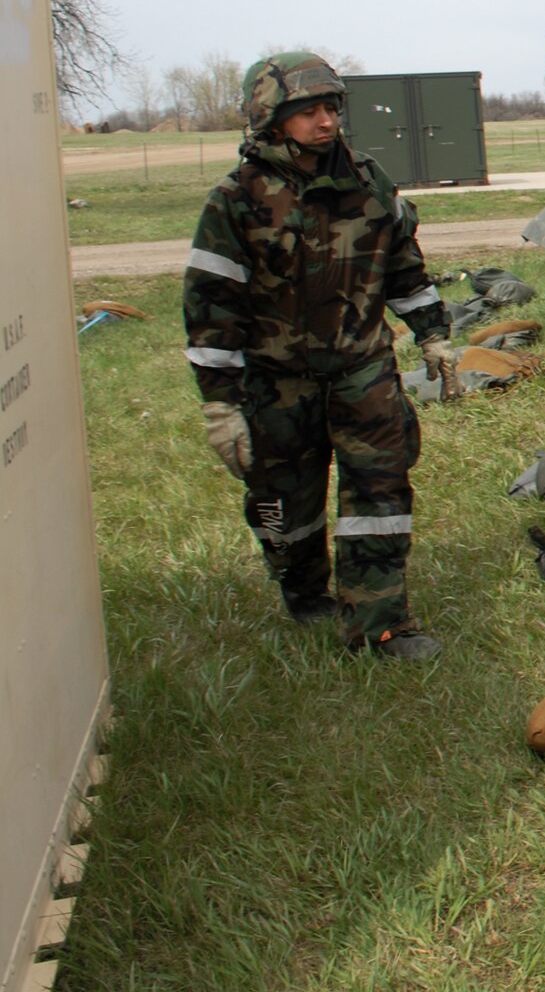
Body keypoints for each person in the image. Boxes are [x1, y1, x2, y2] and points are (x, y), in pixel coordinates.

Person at [183, 52, 455, 659]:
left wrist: (433, 333)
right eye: (307, 110)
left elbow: (404, 266)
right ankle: (303, 589)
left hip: (364, 374)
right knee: (285, 506)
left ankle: (380, 624)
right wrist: (220, 406)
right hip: (277, 384)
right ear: (271, 118)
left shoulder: (368, 180)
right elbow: (211, 305)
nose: (326, 121)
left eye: (331, 107)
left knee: (380, 493)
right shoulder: (236, 199)